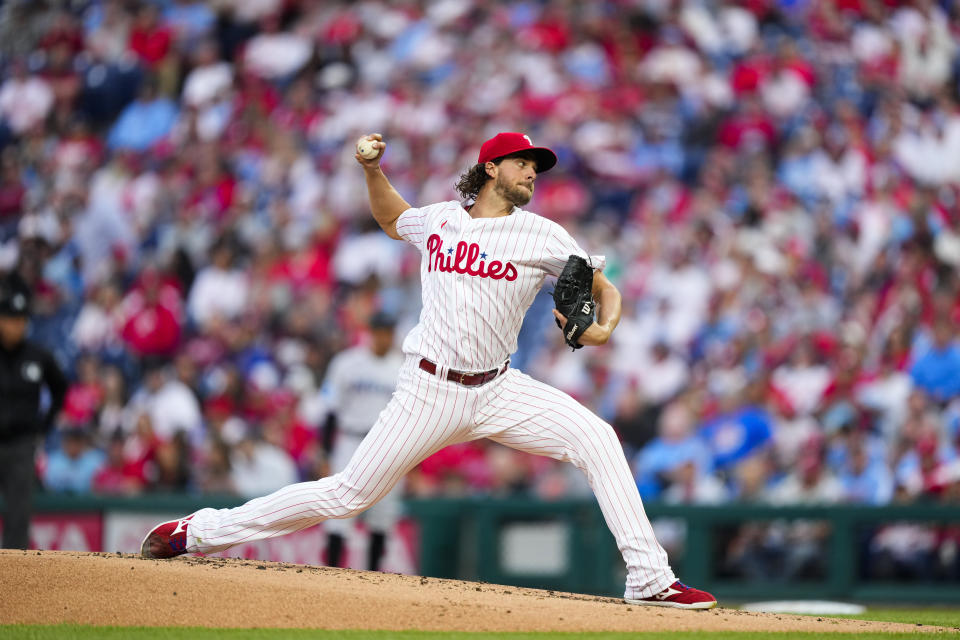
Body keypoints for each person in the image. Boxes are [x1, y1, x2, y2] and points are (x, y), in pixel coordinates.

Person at [141, 132, 717, 609]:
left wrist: (604, 327)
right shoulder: (439, 221)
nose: (533, 174)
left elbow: (601, 285)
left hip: (498, 387)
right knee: (346, 495)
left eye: (537, 167)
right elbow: (394, 218)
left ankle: (649, 578)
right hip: (429, 390)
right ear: (491, 168)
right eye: (524, 163)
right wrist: (373, 171)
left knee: (597, 437)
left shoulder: (543, 234)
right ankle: (196, 532)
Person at [321, 310, 404, 571]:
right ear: (371, 332)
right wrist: (325, 453)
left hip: (387, 445)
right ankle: (330, 574)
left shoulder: (403, 368)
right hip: (350, 440)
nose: (384, 336)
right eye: (380, 330)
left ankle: (372, 581)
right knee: (338, 510)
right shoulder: (346, 363)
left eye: (388, 331)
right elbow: (330, 411)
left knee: (382, 515)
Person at [0, 272, 67, 548]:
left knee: (19, 513)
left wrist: (45, 426)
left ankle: (12, 578)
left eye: (21, 320)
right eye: (10, 319)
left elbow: (60, 388)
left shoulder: (38, 356)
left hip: (21, 444)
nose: (16, 326)